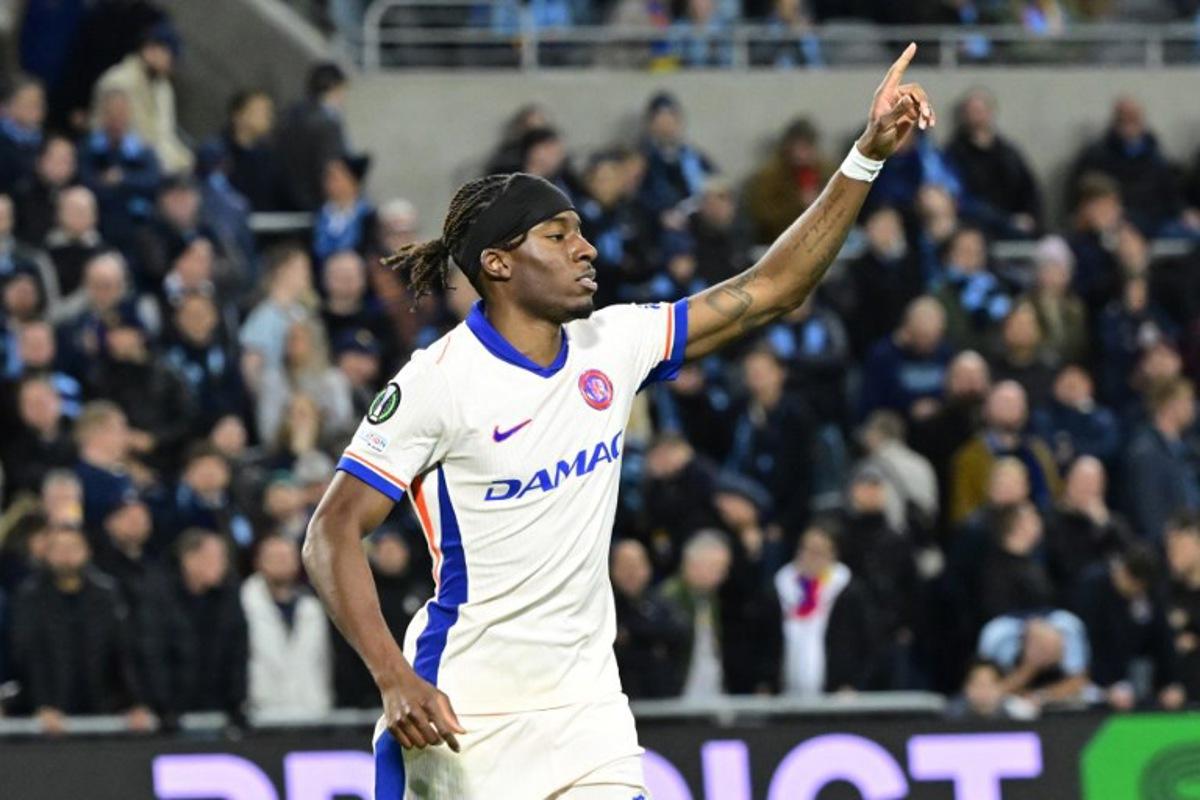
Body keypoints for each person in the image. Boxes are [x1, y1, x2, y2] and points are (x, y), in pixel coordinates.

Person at [302, 47, 933, 798]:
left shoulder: (617, 341)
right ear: (499, 264)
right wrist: (393, 678)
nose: (587, 248)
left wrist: (864, 157)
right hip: (463, 716)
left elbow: (771, 290)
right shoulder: (438, 384)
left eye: (580, 231)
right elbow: (331, 532)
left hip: (589, 715)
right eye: (559, 235)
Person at [9, 523, 152, 732]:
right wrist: (41, 705)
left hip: (102, 710)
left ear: (87, 551)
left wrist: (134, 703)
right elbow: (27, 657)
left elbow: (122, 653)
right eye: (58, 548)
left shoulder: (107, 596)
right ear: (46, 553)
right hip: (48, 717)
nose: (66, 555)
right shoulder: (29, 597)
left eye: (73, 547)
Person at [1072, 544, 1183, 710]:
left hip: (1128, 678)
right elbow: (1088, 641)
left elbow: (1162, 640)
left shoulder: (1148, 594)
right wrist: (1107, 686)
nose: (1135, 590)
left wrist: (1169, 683)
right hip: (1088, 679)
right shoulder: (1093, 585)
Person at [775, 523, 876, 695]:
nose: (811, 557)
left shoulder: (847, 591)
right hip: (785, 693)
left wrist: (852, 682)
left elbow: (865, 641)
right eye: (807, 549)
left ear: (833, 554)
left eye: (819, 551)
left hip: (835, 692)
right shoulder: (781, 586)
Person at [241, 534, 332, 714]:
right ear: (258, 562)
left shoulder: (313, 608)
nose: (282, 562)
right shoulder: (243, 605)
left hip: (311, 712)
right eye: (274, 557)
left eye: (287, 556)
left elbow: (324, 662)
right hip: (261, 713)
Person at [949, 380, 1061, 525]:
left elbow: (1053, 498)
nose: (1008, 408)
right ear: (986, 409)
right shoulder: (968, 457)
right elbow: (962, 513)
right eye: (1002, 402)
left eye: (1014, 403)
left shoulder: (1039, 452)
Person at [91, 22, 192, 175]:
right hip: (120, 162)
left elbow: (165, 135)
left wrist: (185, 162)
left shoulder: (163, 87)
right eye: (169, 57)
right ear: (150, 49)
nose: (171, 65)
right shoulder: (119, 81)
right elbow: (128, 138)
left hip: (157, 162)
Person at [944, 88, 1041, 238]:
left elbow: (1028, 189)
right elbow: (959, 198)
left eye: (980, 110)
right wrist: (1005, 221)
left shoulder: (1008, 153)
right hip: (974, 225)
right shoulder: (954, 153)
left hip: (1014, 224)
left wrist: (1031, 217)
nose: (976, 116)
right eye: (971, 111)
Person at [173, 529, 248, 718]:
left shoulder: (229, 600)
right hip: (174, 713)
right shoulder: (162, 600)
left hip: (220, 710)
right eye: (214, 557)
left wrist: (235, 703)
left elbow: (238, 656)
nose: (222, 564)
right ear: (189, 559)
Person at [1123, 376, 1200, 542]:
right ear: (1169, 405)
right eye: (1187, 400)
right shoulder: (1146, 452)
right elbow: (1152, 517)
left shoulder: (1188, 448)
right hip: (1174, 549)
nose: (1193, 407)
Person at [610, 538, 689, 699]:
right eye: (624, 566)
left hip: (662, 701)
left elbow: (679, 632)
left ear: (648, 568)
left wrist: (631, 633)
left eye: (636, 566)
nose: (630, 573)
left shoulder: (663, 603)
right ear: (612, 570)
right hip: (619, 699)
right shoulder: (604, 607)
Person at [275, 62, 350, 212]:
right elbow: (330, 168)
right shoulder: (327, 123)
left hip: (286, 200)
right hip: (318, 206)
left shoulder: (290, 117)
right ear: (335, 87)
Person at [745, 117, 831, 245]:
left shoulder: (825, 171)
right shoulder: (769, 178)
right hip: (778, 243)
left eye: (807, 147)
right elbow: (764, 216)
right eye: (798, 147)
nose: (802, 153)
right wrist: (798, 204)